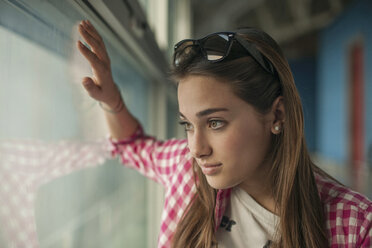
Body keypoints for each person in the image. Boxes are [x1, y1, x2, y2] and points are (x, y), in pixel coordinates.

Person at [77, 20, 372, 248]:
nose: (196, 148)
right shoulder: (187, 171)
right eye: (187, 125)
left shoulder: (355, 224)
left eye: (215, 123)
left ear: (277, 115)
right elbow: (133, 146)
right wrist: (112, 101)